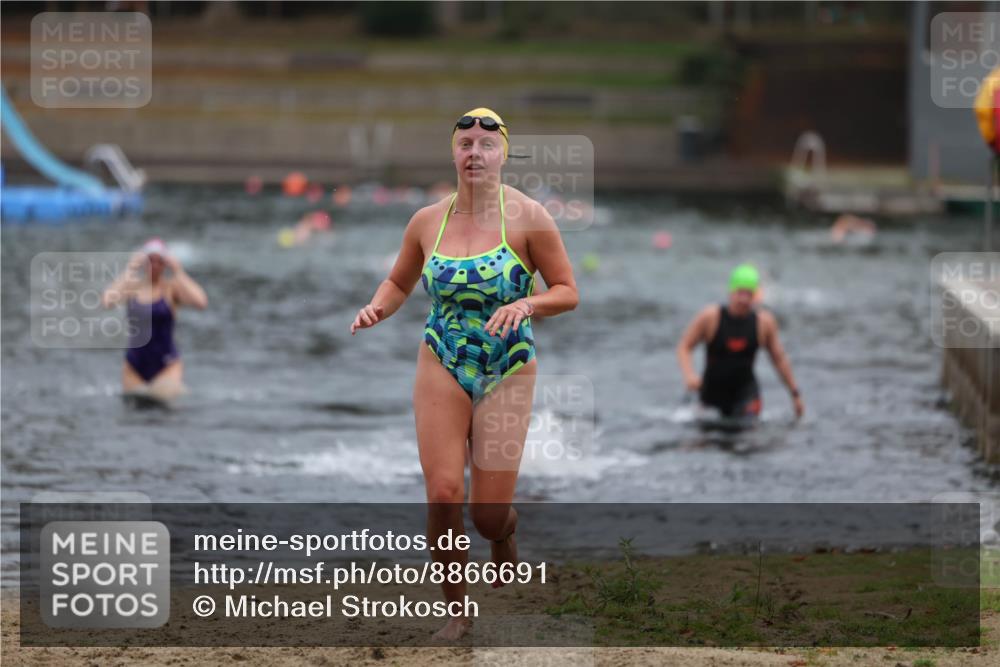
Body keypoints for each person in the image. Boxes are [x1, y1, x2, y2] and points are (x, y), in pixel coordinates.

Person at [350, 108, 578, 640]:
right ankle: (457, 608)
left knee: (486, 514)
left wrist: (527, 306)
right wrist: (376, 307)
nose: (475, 153)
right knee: (443, 493)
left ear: (504, 153)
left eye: (486, 144)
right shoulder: (427, 220)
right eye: (465, 144)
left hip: (508, 367)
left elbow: (568, 291)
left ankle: (506, 532)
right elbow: (399, 282)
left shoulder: (529, 216)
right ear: (453, 153)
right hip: (441, 359)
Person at [676, 264, 803, 422]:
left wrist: (795, 394)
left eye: (749, 294)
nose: (744, 299)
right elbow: (684, 346)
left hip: (746, 395)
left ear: (756, 296)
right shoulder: (710, 317)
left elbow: (779, 359)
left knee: (749, 438)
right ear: (731, 292)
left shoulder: (764, 322)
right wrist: (689, 376)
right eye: (740, 293)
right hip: (711, 395)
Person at [102, 238, 208, 400]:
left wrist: (179, 272)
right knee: (133, 412)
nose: (155, 265)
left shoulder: (171, 288)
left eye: (159, 261)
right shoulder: (133, 287)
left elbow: (201, 302)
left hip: (166, 364)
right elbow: (107, 301)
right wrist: (129, 270)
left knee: (162, 410)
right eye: (151, 260)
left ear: (165, 263)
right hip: (134, 364)